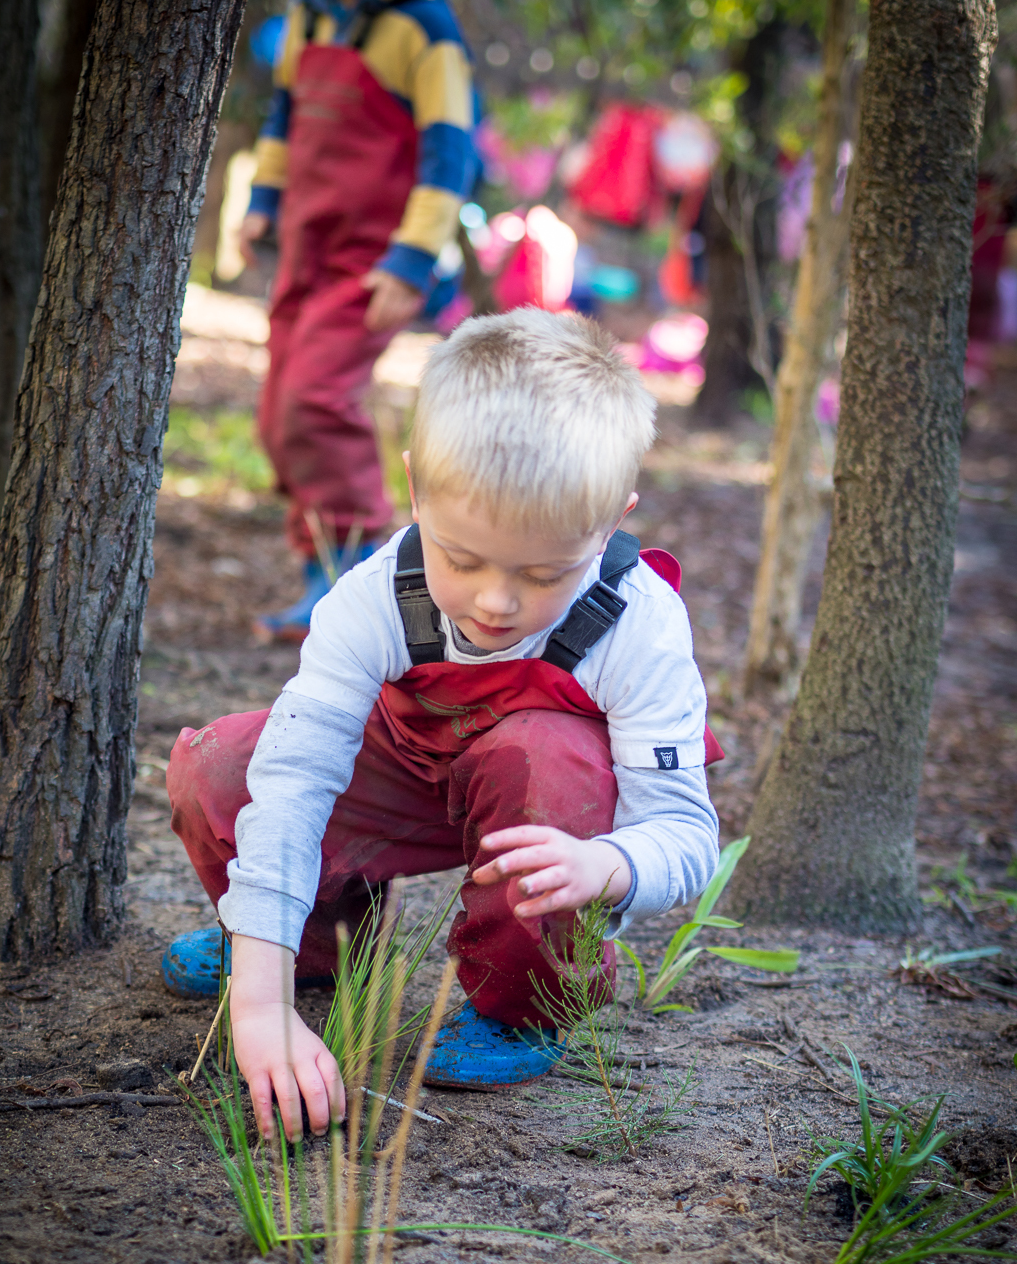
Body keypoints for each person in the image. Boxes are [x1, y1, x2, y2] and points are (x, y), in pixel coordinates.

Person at [164, 310, 721, 1139]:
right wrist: (261, 996)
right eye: (462, 559)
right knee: (224, 767)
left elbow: (685, 832)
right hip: (405, 774)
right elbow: (295, 777)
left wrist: (606, 863)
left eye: (543, 574)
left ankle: (521, 1002)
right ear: (417, 487)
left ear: (611, 521)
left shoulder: (638, 624)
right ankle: (315, 942)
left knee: (544, 757)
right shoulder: (373, 596)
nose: (497, 602)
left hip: (541, 815)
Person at [242, 0, 477, 641]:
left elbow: (451, 150)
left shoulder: (422, 28)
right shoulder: (308, 14)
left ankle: (357, 582)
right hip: (304, 244)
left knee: (314, 399)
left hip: (371, 259)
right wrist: (263, 196)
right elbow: (284, 113)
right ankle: (319, 572)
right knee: (275, 418)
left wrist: (412, 261)